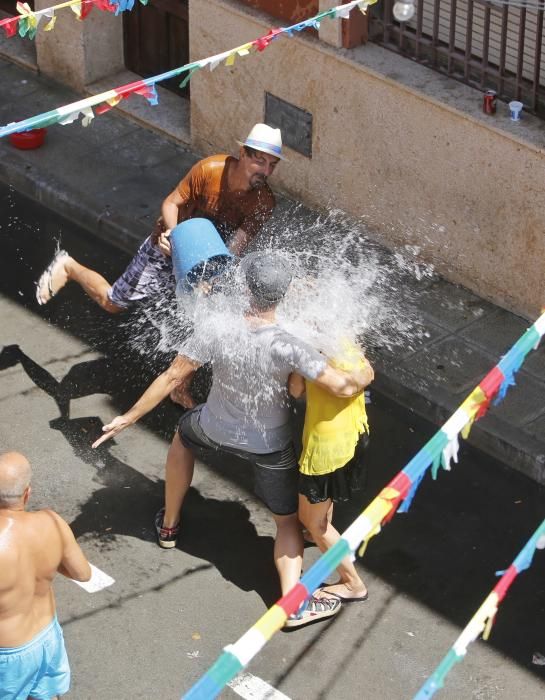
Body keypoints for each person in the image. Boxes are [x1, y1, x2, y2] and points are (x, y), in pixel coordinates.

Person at [91, 252, 372, 627]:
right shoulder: (290, 344)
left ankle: (169, 524)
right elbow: (340, 386)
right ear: (283, 296)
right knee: (287, 523)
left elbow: (172, 377)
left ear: (244, 288)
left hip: (213, 428)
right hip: (269, 446)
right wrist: (365, 374)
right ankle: (294, 605)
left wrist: (128, 417)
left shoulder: (217, 327)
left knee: (183, 436)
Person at [35, 123, 284, 313]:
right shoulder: (209, 170)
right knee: (113, 303)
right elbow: (171, 203)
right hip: (167, 244)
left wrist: (211, 275)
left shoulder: (264, 202)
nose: (265, 171)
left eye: (272, 165)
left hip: (204, 259)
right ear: (243, 153)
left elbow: (236, 246)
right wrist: (175, 238)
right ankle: (68, 267)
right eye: (259, 161)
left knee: (193, 317)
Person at [0, 451, 91, 700]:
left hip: (7, 655)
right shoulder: (52, 522)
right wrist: (47, 562)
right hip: (47, 639)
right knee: (46, 695)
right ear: (27, 493)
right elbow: (83, 574)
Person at [288, 340, 373, 608]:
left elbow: (295, 390)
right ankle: (316, 535)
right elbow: (367, 373)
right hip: (355, 434)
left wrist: (297, 363)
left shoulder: (312, 354)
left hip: (327, 448)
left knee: (311, 519)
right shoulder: (347, 339)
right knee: (325, 500)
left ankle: (352, 583)